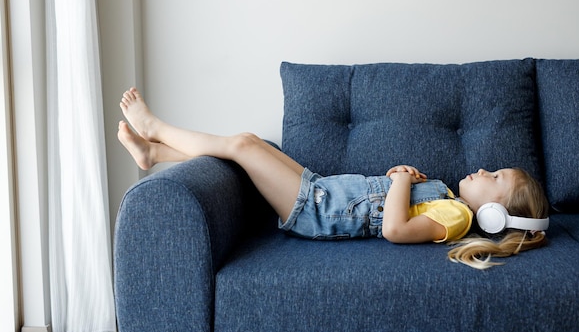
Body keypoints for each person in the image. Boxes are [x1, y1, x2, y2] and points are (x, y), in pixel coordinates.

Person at [117, 87, 549, 269]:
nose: (482, 169)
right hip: (322, 190)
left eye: (493, 176)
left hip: (319, 211)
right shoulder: (449, 198)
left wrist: (399, 179)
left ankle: (156, 129)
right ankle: (154, 153)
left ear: (491, 215)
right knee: (250, 144)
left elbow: (397, 229)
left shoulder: (456, 217)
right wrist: (409, 182)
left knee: (245, 147)